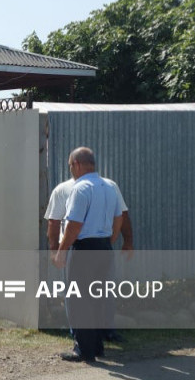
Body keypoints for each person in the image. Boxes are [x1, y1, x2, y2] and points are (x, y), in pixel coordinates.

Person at [51, 147, 124, 364]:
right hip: (104, 248)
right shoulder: (110, 186)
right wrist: (108, 241)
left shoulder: (81, 189)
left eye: (70, 166)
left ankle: (84, 350)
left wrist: (61, 252)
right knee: (97, 297)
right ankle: (97, 345)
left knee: (78, 299)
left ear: (77, 164)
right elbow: (118, 218)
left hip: (84, 249)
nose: (71, 170)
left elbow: (73, 225)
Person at [44, 170, 133, 341]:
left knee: (86, 293)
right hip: (94, 246)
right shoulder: (67, 189)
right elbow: (54, 221)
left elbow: (121, 214)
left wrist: (57, 251)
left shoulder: (106, 186)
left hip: (80, 247)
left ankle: (95, 334)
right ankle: (91, 333)